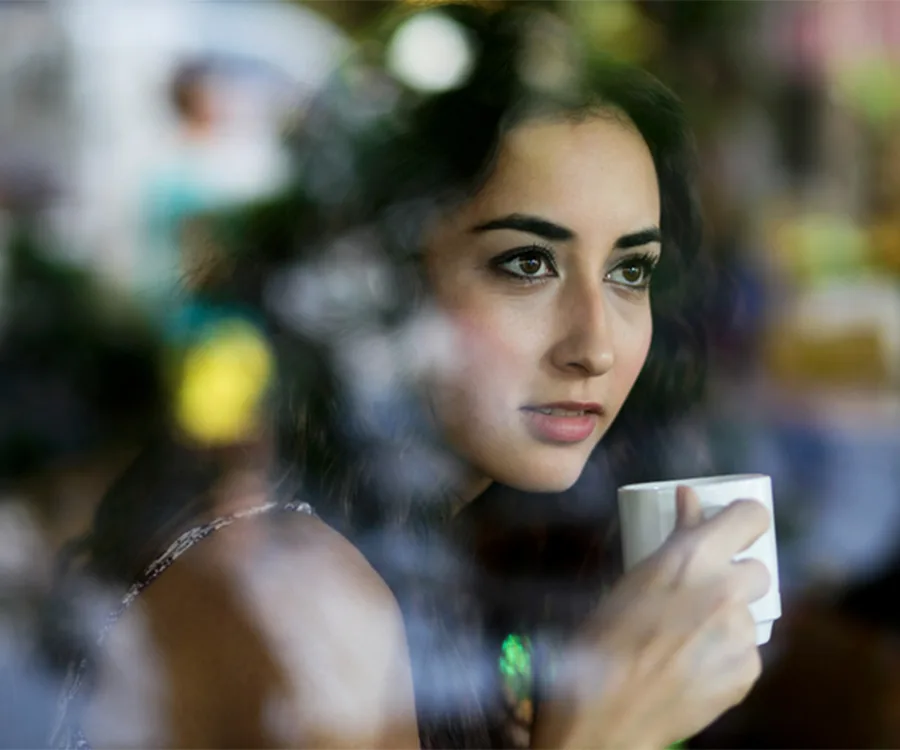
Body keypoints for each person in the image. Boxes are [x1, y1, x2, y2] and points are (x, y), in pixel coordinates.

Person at [49, 4, 771, 749]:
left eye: (629, 270)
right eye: (526, 263)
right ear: (374, 282)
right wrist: (600, 733)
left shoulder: (393, 552)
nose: (595, 345)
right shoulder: (308, 599)